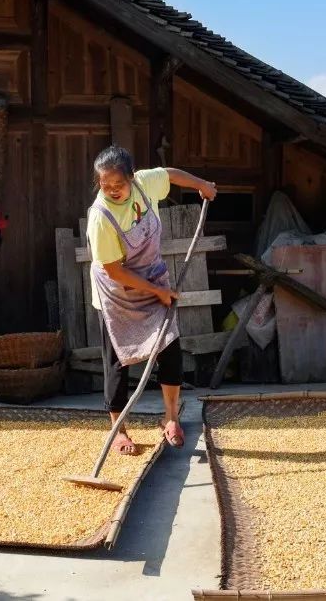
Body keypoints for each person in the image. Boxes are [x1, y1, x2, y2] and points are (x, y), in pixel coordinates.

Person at [85, 146, 217, 452]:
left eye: (119, 184)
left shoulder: (145, 183)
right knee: (118, 361)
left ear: (132, 177)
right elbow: (113, 270)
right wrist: (157, 291)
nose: (113, 191)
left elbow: (170, 174)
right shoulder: (100, 217)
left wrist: (201, 185)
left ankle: (171, 417)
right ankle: (119, 430)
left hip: (152, 277)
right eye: (105, 186)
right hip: (118, 291)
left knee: (170, 348)